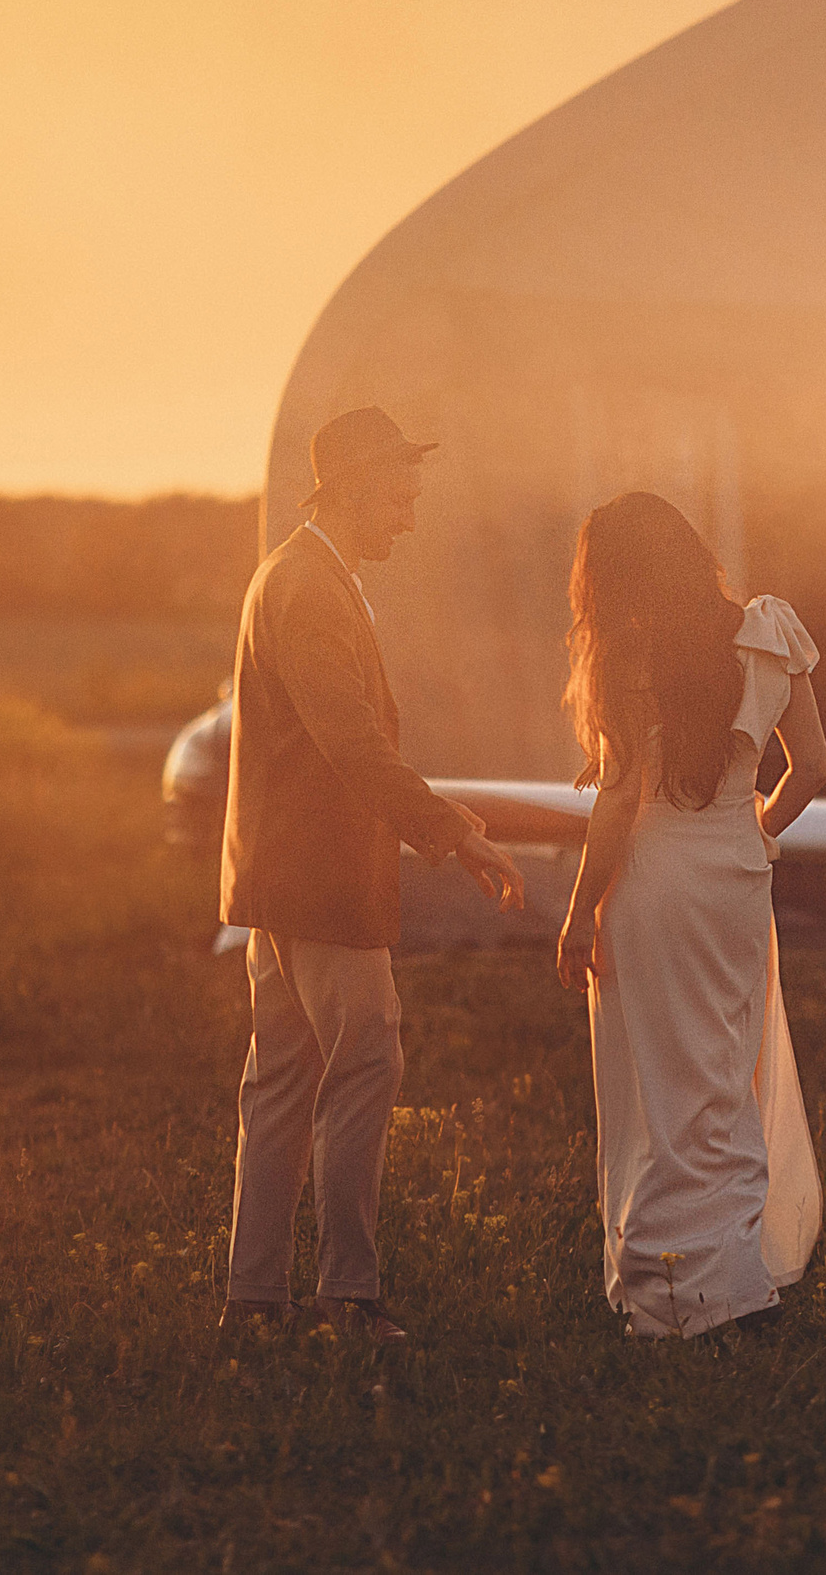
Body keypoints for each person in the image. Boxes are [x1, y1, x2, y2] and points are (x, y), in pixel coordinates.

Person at [217, 405, 527, 1346]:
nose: (411, 509)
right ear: (351, 485)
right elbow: (349, 741)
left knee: (282, 1079)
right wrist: (452, 832)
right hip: (318, 881)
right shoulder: (309, 588)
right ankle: (347, 1300)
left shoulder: (304, 575)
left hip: (283, 878)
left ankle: (252, 1299)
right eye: (400, 488)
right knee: (369, 1059)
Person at [556, 492, 826, 1337]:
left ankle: (670, 1296)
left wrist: (576, 916)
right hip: (737, 879)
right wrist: (747, 830)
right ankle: (738, 1281)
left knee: (658, 1080)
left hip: (656, 878)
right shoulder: (770, 630)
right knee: (726, 1071)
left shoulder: (629, 652)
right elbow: (813, 767)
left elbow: (620, 801)